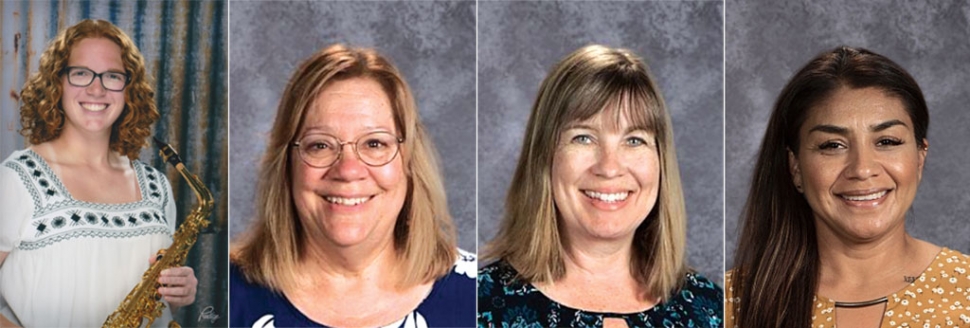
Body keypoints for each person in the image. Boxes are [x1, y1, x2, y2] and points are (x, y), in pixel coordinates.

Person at [229, 44, 476, 327]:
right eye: (320, 145)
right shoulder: (222, 296)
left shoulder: (478, 294)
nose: (348, 171)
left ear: (409, 163)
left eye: (374, 144)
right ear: (286, 165)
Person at [477, 45, 723, 328]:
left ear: (660, 161)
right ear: (545, 156)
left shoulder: (711, 310)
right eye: (583, 138)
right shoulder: (478, 306)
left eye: (634, 140)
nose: (609, 168)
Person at [727, 46, 970, 327]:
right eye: (833, 145)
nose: (863, 169)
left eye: (887, 142)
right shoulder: (732, 303)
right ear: (795, 167)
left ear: (919, 158)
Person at [0, 19, 198, 327]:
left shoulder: (156, 186)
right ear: (57, 83)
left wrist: (181, 286)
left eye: (112, 76)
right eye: (81, 73)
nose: (97, 88)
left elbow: (156, 293)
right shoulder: (16, 179)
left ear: (128, 89)